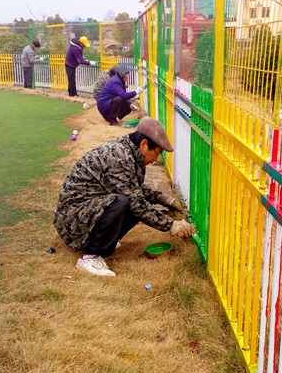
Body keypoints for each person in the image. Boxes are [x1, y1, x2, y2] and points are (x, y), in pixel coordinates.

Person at [54, 117, 194, 277]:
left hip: (86, 210)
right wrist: (170, 225)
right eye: (156, 153)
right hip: (72, 219)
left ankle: (105, 241)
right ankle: (90, 256)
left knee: (133, 203)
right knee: (123, 203)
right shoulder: (121, 158)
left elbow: (134, 189)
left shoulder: (129, 152)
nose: (156, 159)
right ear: (143, 144)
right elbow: (135, 202)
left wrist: (161, 198)